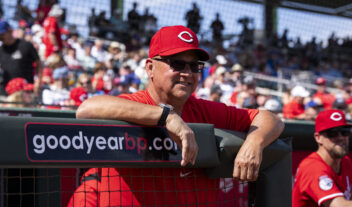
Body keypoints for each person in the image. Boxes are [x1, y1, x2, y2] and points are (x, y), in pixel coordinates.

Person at [75, 25, 284, 206]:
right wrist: (167, 116)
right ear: (150, 68)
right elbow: (86, 109)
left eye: (194, 66)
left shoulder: (205, 110)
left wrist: (254, 141)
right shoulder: (135, 103)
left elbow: (271, 119)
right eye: (176, 63)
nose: (187, 72)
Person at [292, 109, 352, 207]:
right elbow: (339, 206)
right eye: (333, 133)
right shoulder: (312, 167)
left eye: (344, 132)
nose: (340, 137)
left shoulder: (346, 162)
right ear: (318, 137)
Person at [0, 21, 42, 96]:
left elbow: (39, 64)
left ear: (10, 30)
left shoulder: (26, 46)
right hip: (5, 94)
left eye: (3, 34)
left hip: (25, 91)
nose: (1, 37)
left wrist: (38, 81)